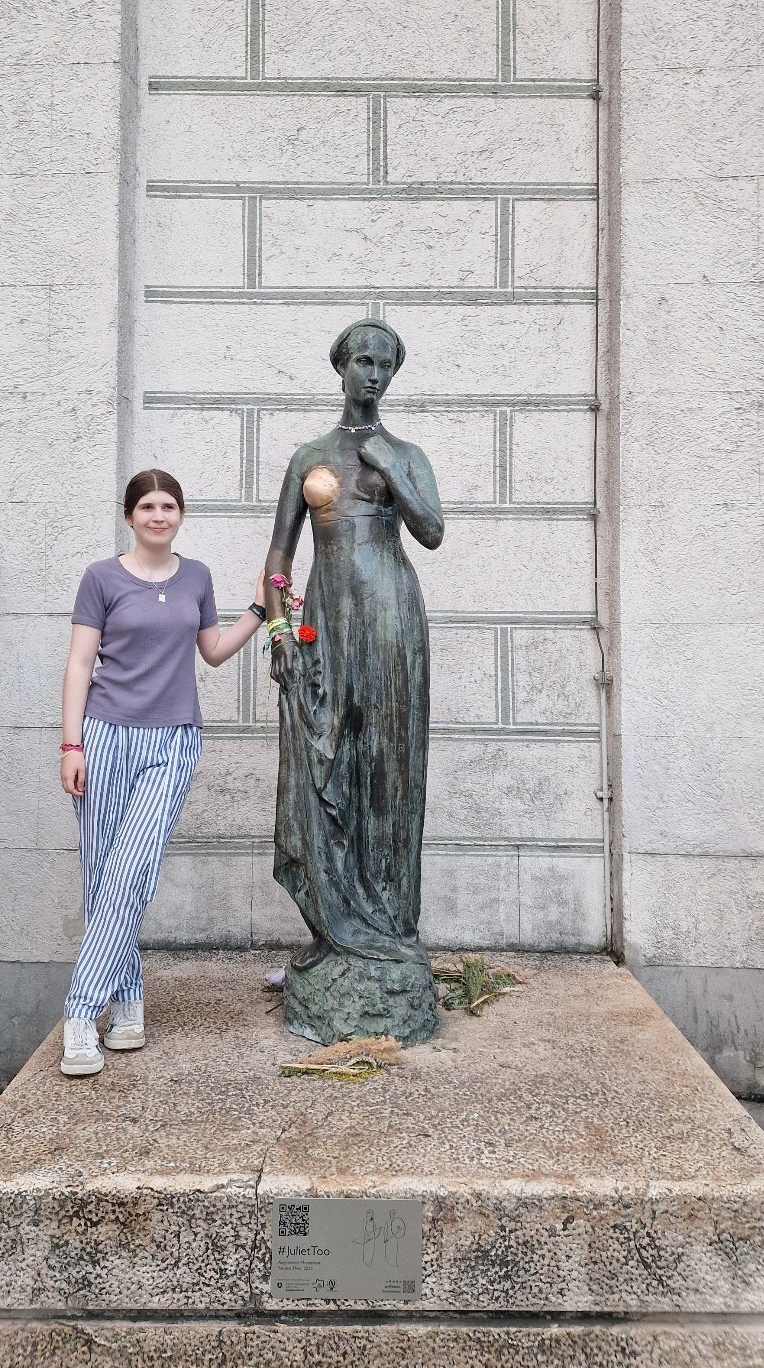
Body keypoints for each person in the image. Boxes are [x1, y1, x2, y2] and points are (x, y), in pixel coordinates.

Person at [264, 318, 444, 1040]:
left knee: (388, 770)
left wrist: (391, 469)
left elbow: (431, 531)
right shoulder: (309, 456)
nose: (372, 373)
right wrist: (280, 629)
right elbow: (279, 556)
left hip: (392, 619)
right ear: (340, 367)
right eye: (362, 361)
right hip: (328, 623)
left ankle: (391, 923)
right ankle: (335, 924)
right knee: (325, 765)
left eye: (384, 365)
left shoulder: (406, 453)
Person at [58, 468, 265, 1076]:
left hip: (172, 739)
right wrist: (71, 745)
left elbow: (214, 651)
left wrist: (260, 609)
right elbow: (79, 665)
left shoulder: (197, 576)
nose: (158, 515)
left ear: (180, 515)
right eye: (146, 506)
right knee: (103, 877)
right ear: (130, 516)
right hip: (104, 736)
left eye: (168, 506)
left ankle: (80, 1013)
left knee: (130, 870)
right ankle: (127, 1004)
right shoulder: (101, 578)